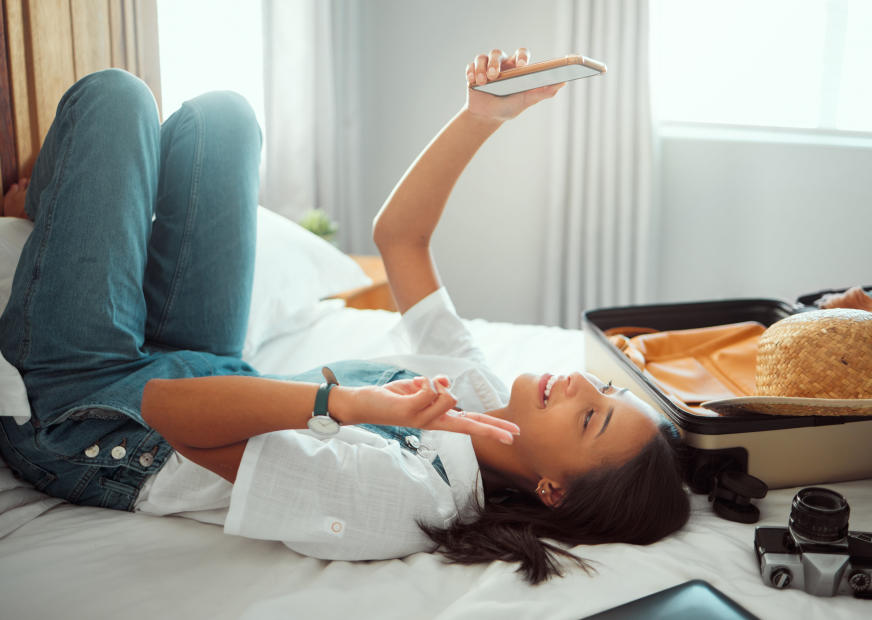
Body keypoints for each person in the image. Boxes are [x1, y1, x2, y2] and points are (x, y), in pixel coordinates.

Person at [0, 47, 689, 584]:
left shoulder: (406, 501)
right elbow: (401, 239)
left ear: (551, 490)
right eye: (605, 390)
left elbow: (168, 408)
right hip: (209, 364)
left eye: (591, 417)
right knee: (225, 117)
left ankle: (54, 207)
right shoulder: (478, 396)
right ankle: (62, 207)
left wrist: (352, 404)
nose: (580, 386)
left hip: (96, 425)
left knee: (115, 98)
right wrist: (482, 116)